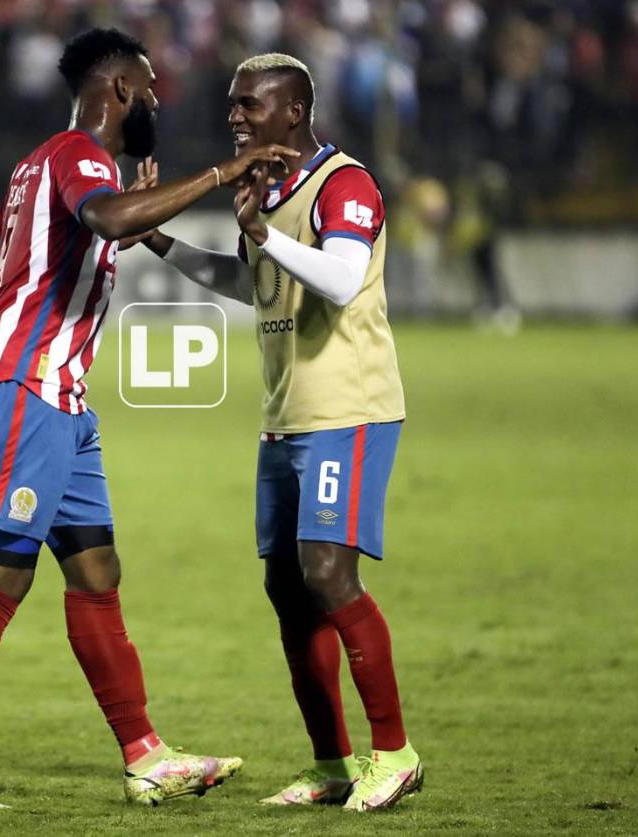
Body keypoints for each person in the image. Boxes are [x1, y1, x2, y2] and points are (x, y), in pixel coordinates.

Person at [0, 29, 298, 809]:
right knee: (3, 573)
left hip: (62, 397)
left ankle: (146, 754)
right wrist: (221, 172)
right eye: (149, 89)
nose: (155, 101)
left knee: (96, 571)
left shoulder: (36, 165)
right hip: (25, 384)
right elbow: (105, 219)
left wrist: (123, 216)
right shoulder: (80, 156)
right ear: (117, 90)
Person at [137, 53, 423, 812]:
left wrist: (262, 228)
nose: (235, 115)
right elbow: (252, 281)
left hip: (349, 410)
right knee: (289, 591)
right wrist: (164, 243)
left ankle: (393, 753)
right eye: (233, 103)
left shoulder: (345, 184)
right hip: (283, 416)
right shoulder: (268, 188)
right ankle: (332, 764)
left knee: (329, 573)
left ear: (294, 110)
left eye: (250, 104)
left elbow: (338, 277)